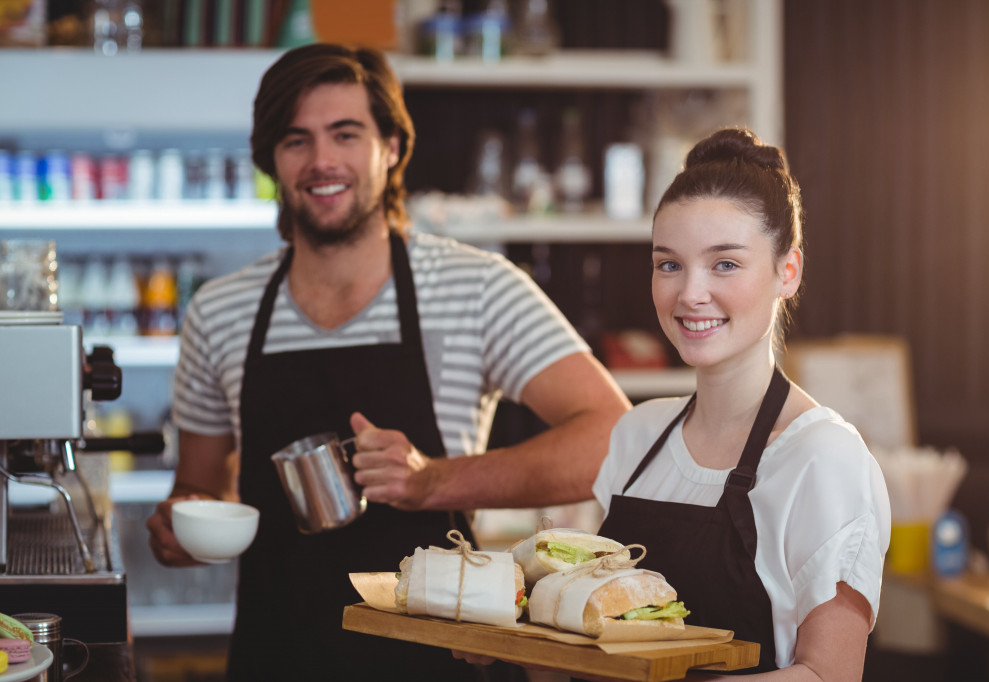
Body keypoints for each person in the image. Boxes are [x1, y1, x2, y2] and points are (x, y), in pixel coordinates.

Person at [145, 43, 630, 681]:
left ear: (392, 147)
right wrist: (182, 523)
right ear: (271, 160)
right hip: (276, 653)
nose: (322, 161)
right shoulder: (221, 311)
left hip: (438, 657)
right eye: (296, 140)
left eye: (346, 134)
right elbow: (204, 484)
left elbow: (611, 436)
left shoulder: (474, 286)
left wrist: (433, 480)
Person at [588, 128, 891, 678]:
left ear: (787, 271)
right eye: (669, 264)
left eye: (724, 264)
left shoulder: (823, 458)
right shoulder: (637, 436)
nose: (690, 294)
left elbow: (827, 676)